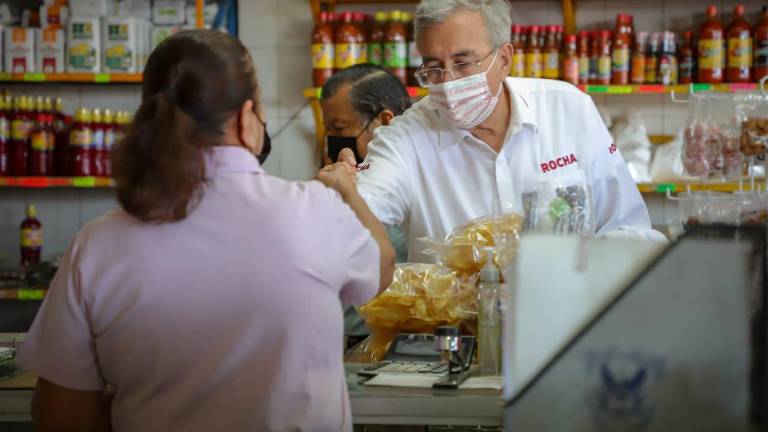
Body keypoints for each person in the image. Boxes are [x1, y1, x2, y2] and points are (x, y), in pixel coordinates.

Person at [17, 30, 394, 432]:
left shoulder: (96, 244)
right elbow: (381, 268)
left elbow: (60, 417)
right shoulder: (315, 211)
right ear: (246, 120)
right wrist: (348, 191)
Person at [329, 0, 666, 263]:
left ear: (504, 59)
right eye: (433, 67)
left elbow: (631, 230)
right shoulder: (405, 137)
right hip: (455, 339)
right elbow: (361, 212)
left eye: (463, 63)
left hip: (569, 319)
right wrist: (341, 195)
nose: (448, 82)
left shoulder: (568, 109)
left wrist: (569, 262)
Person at [320, 64, 411, 346]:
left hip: (399, 341)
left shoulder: (405, 184)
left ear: (385, 122)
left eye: (340, 128)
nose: (334, 140)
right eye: (329, 130)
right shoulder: (341, 180)